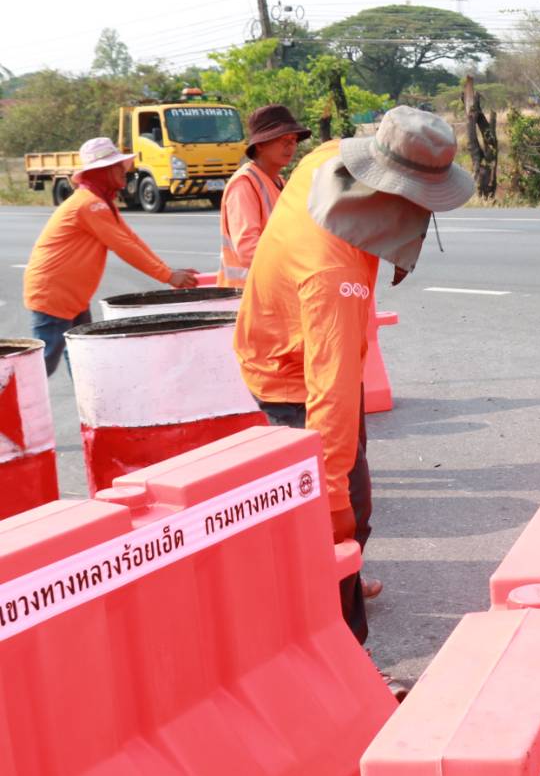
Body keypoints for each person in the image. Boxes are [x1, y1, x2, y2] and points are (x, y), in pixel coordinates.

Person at [233, 106, 473, 650]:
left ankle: (330, 585)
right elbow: (330, 398)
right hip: (294, 375)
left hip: (283, 341)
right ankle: (341, 650)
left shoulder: (326, 160)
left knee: (339, 504)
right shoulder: (333, 276)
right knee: (337, 514)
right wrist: (335, 502)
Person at [23, 138, 198, 376]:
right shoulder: (89, 205)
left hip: (71, 295)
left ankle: (90, 403)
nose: (125, 171)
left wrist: (169, 272)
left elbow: (132, 239)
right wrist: (167, 275)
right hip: (54, 295)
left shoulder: (100, 203)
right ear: (101, 172)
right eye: (117, 167)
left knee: (83, 359)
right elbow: (124, 247)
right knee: (41, 367)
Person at [219, 103, 311, 286]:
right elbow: (248, 251)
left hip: (273, 289)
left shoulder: (281, 183)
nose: (291, 146)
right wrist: (299, 266)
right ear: (260, 144)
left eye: (293, 140)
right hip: (246, 293)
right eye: (283, 140)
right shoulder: (244, 184)